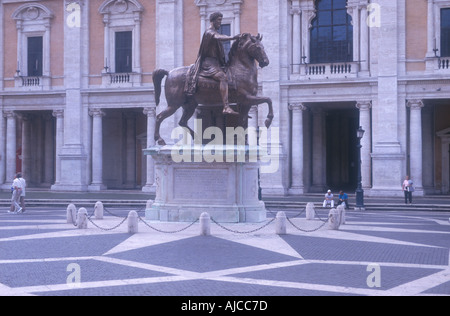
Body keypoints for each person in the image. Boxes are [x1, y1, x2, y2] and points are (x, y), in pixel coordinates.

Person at [184, 11, 241, 116]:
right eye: (219, 20)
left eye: (221, 20)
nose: (220, 22)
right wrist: (233, 37)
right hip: (209, 63)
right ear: (213, 21)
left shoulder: (214, 31)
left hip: (216, 62)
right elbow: (219, 37)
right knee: (223, 77)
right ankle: (226, 107)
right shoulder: (210, 32)